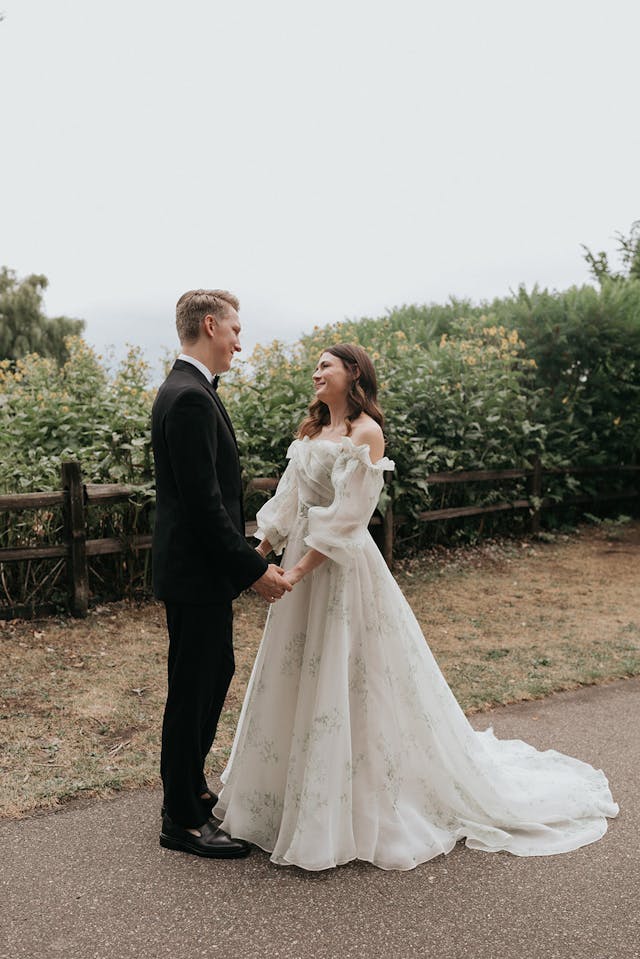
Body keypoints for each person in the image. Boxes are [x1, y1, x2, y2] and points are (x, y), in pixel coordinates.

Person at [213, 343, 619, 871]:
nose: (315, 373)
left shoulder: (367, 434)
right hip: (296, 566)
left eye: (325, 366)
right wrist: (259, 557)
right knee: (295, 674)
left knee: (351, 676)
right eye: (315, 366)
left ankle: (351, 802)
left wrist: (294, 571)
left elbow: (348, 518)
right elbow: (289, 499)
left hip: (337, 571)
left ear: (352, 373)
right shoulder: (311, 432)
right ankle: (291, 796)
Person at [151, 289, 292, 859]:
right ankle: (180, 820)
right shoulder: (187, 398)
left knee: (210, 678)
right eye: (235, 328)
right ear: (210, 325)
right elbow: (203, 506)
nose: (240, 340)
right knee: (193, 691)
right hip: (196, 573)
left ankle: (192, 791)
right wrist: (254, 569)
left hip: (199, 573)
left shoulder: (191, 390)